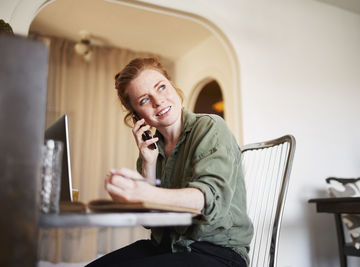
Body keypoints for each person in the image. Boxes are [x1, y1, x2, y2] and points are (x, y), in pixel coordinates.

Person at [86, 57, 253, 267]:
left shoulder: (211, 127)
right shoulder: (152, 151)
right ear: (138, 117)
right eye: (144, 100)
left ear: (173, 87)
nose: (158, 101)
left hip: (216, 253)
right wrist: (148, 163)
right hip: (168, 248)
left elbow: (209, 199)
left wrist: (145, 193)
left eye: (162, 87)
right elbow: (149, 221)